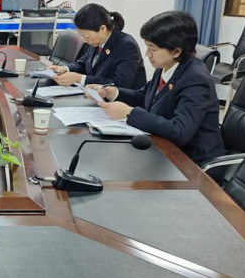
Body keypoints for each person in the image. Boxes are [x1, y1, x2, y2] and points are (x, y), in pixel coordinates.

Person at [89, 10, 225, 165]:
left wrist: (129, 113)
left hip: (191, 162)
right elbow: (144, 96)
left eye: (152, 49)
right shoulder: (166, 67)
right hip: (162, 148)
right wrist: (112, 92)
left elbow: (180, 131)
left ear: (176, 51)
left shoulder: (196, 79)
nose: (147, 54)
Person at [52, 3, 146, 89]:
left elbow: (120, 84)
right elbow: (83, 63)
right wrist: (65, 68)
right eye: (82, 36)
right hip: (96, 95)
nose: (84, 40)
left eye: (86, 36)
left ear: (102, 29)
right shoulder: (97, 41)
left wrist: (80, 79)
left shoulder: (126, 45)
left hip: (121, 101)